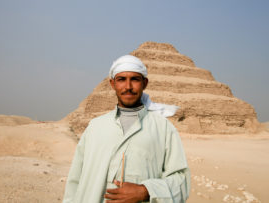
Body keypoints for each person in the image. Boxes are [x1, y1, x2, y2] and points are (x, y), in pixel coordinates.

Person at [63, 55, 190, 203]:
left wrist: (146, 191)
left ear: (145, 83)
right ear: (112, 83)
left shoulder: (163, 128)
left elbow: (181, 181)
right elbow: (74, 182)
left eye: (135, 79)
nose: (128, 86)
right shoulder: (95, 127)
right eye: (121, 79)